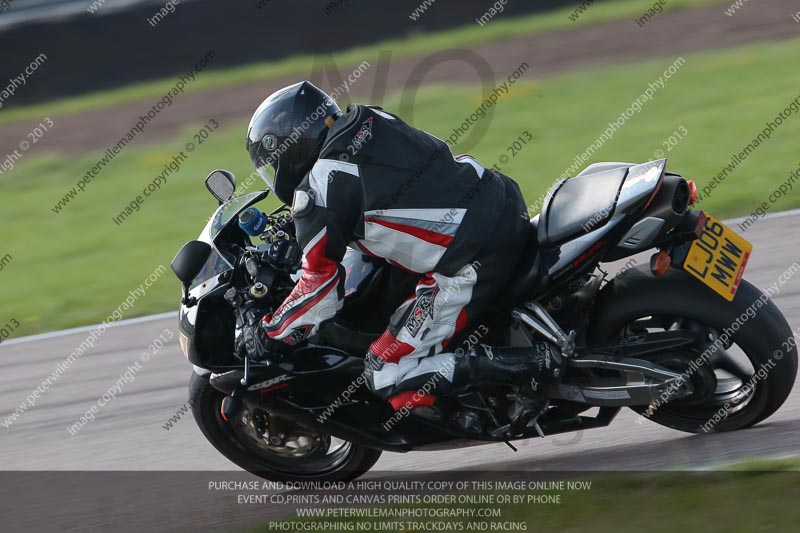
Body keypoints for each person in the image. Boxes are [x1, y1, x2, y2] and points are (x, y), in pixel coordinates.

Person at [245, 81, 562, 429]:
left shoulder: (318, 191)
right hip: (502, 200)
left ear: (289, 148)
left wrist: (270, 332)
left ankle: (531, 365)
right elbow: (383, 182)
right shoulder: (368, 118)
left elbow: (319, 294)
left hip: (473, 256)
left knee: (385, 370)